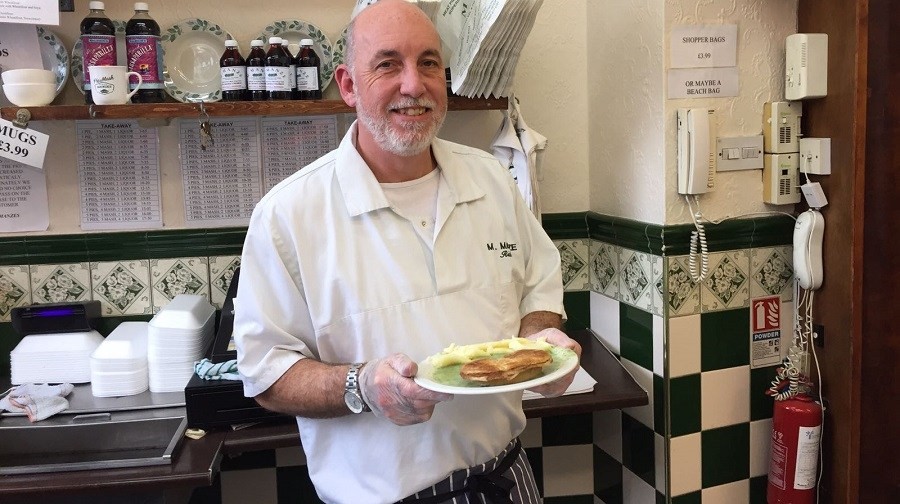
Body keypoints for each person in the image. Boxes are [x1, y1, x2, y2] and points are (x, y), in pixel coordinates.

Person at [233, 1, 581, 502]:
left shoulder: (490, 180)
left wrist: (538, 348)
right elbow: (267, 374)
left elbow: (538, 287)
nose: (414, 85)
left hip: (505, 478)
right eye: (388, 64)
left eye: (430, 63)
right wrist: (362, 387)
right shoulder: (289, 216)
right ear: (348, 85)